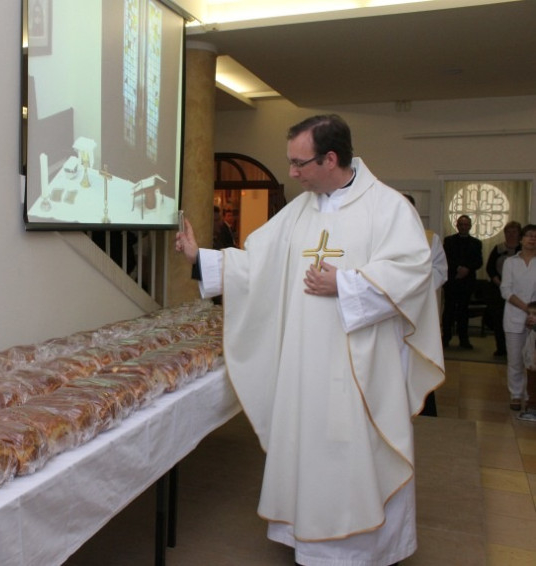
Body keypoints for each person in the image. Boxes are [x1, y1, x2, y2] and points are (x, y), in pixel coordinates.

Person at [175, 114, 443, 566]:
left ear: (330, 158)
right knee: (310, 447)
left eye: (300, 164)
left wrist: (347, 283)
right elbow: (257, 264)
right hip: (305, 363)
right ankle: (311, 544)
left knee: (357, 453)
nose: (292, 173)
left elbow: (413, 271)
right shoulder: (301, 209)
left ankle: (366, 551)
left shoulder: (388, 207)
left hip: (360, 365)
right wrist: (200, 258)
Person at [405, 193, 447, 417]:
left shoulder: (430, 238)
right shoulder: (376, 234)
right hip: (387, 312)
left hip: (418, 309)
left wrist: (417, 287)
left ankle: (423, 408)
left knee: (417, 358)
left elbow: (440, 270)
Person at [500, 224, 536, 412]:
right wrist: (527, 308)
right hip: (514, 316)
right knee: (515, 359)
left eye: (535, 236)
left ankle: (531, 396)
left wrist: (533, 313)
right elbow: (506, 290)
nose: (532, 239)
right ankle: (516, 394)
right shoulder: (510, 262)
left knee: (533, 360)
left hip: (535, 318)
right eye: (528, 235)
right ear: (521, 239)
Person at [441, 215, 483, 349]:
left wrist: (467, 269)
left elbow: (479, 261)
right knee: (449, 310)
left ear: (470, 226)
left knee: (463, 311)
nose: (464, 227)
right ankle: (445, 338)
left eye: (466, 224)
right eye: (461, 224)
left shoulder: (476, 243)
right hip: (452, 281)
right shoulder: (449, 241)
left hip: (467, 282)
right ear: (457, 225)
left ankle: (464, 339)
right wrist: (458, 268)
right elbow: (445, 258)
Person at [485, 221, 522, 356]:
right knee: (499, 319)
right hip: (498, 290)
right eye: (508, 232)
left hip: (518, 292)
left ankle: (516, 349)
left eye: (514, 232)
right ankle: (501, 348)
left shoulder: (523, 250)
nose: (511, 235)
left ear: (519, 234)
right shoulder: (498, 248)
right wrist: (499, 283)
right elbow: (490, 268)